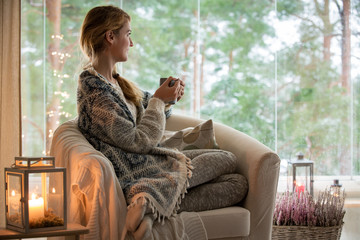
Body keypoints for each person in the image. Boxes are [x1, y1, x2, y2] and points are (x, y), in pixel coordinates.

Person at [77, 5, 248, 240]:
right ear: (110, 36)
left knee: (236, 183)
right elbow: (138, 141)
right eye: (128, 34)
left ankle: (148, 208)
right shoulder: (95, 92)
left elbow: (153, 114)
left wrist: (168, 99)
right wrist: (158, 100)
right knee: (226, 159)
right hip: (136, 171)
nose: (132, 42)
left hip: (150, 164)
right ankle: (146, 196)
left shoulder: (116, 82)